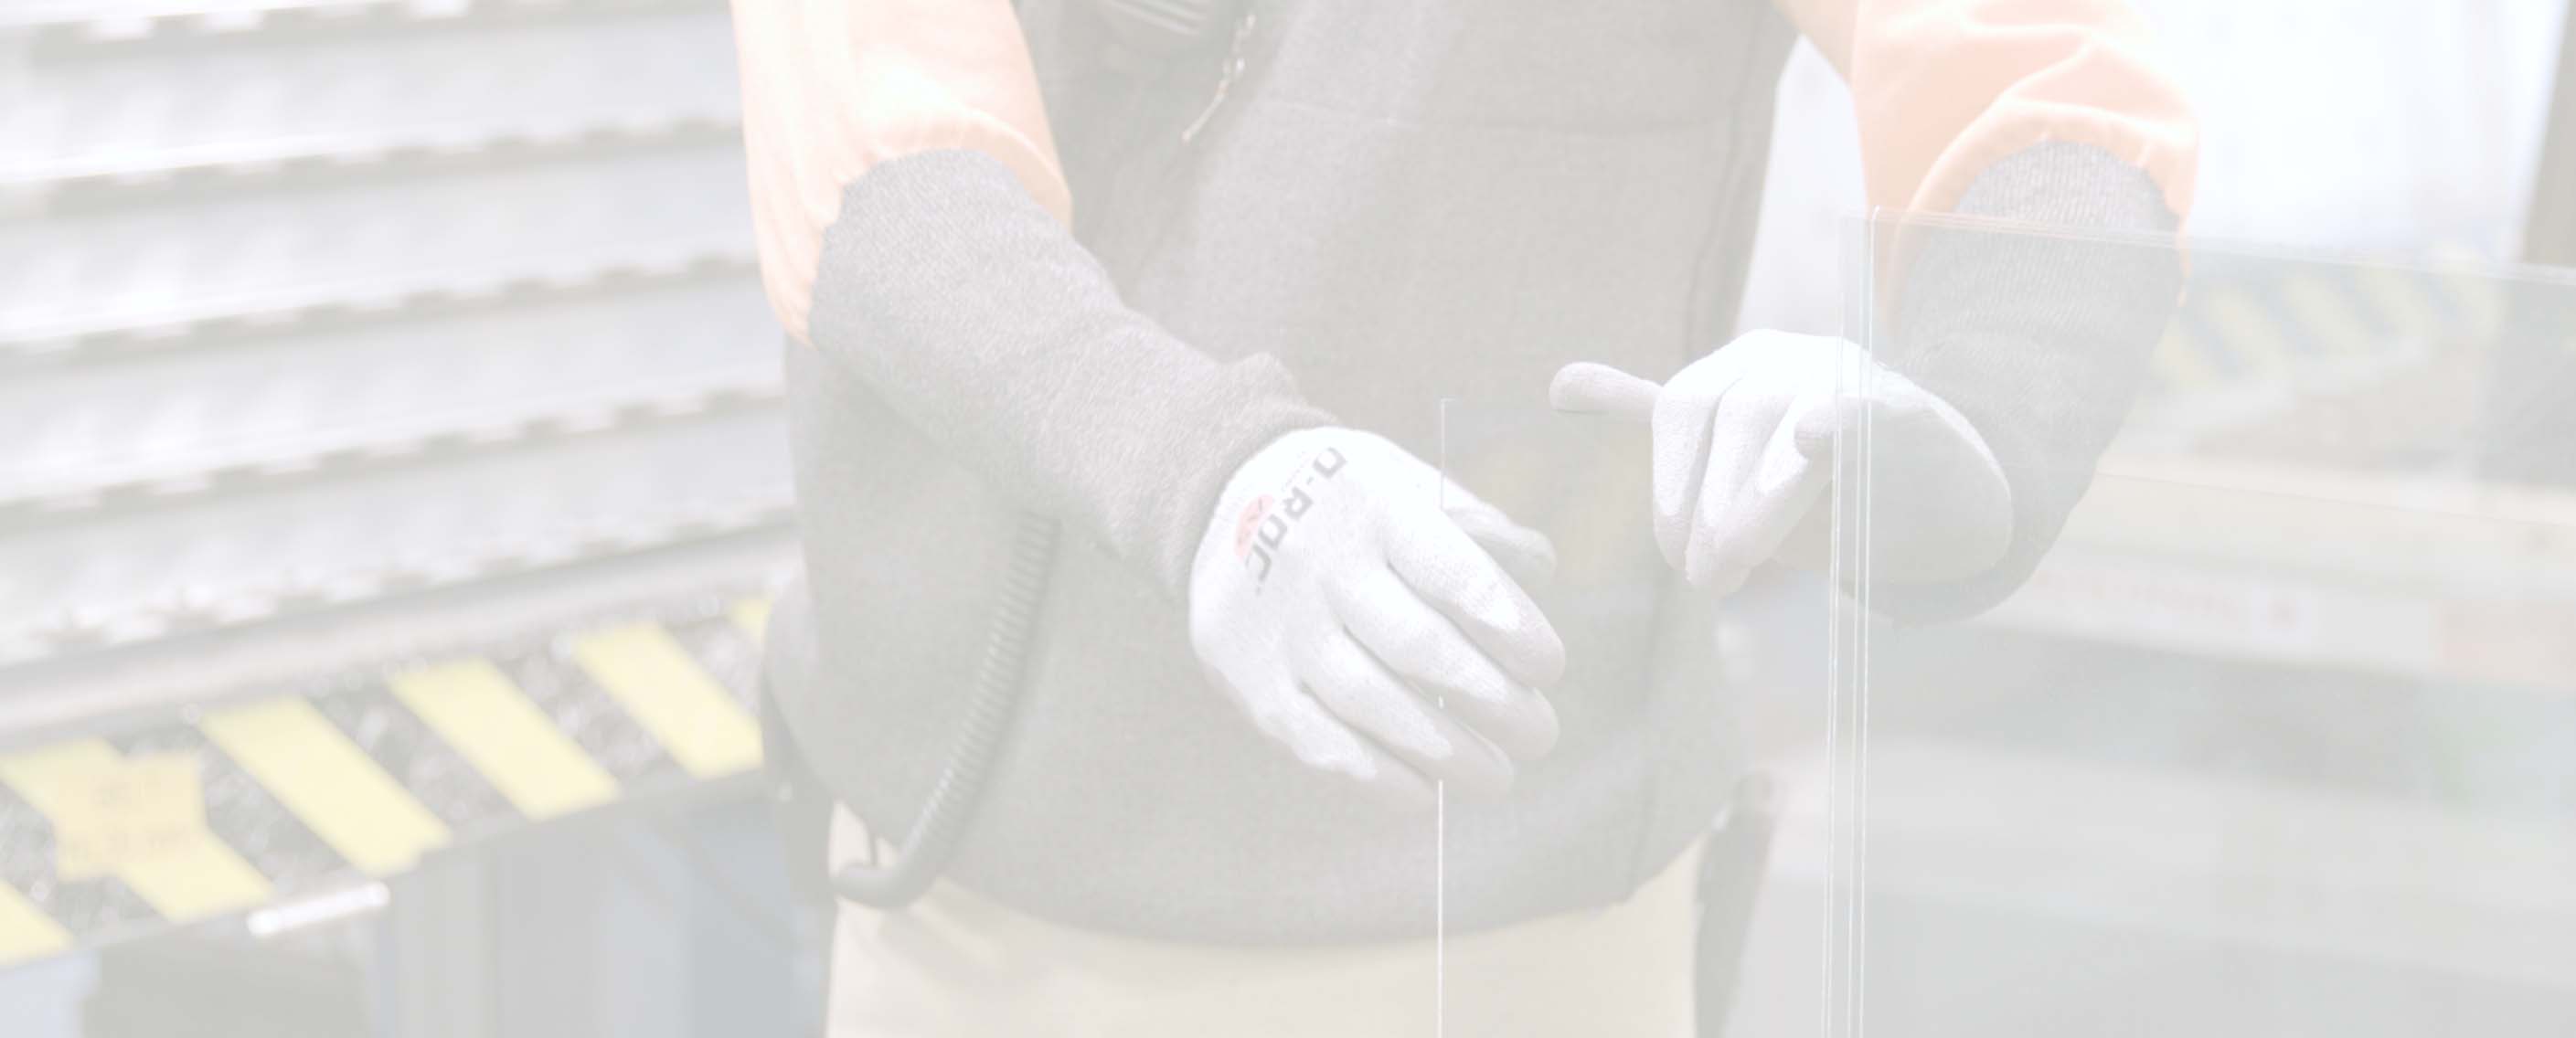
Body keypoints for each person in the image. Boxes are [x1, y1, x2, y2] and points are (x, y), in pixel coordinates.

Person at [729, 0, 2194, 1033]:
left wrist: (1979, 408)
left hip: (1516, 934)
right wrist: (1211, 472)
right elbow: (887, 178)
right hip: (1002, 920)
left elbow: (2044, 84)